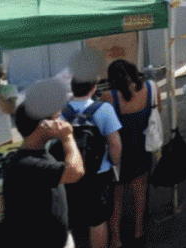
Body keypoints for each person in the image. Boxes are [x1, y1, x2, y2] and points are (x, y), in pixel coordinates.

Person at [4, 82, 86, 248]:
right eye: (56, 119)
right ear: (42, 126)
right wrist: (67, 138)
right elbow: (75, 172)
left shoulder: (37, 153)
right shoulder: (26, 164)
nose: (62, 122)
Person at [102, 60, 161, 248]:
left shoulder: (109, 97)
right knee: (140, 191)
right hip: (142, 148)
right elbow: (157, 112)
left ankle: (116, 238)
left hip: (118, 152)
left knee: (116, 197)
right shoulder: (152, 88)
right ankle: (138, 231)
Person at [63, 75, 123, 248]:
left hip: (71, 172)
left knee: (70, 218)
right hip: (99, 172)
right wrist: (113, 164)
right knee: (97, 220)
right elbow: (115, 144)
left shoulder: (61, 112)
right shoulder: (104, 109)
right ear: (93, 88)